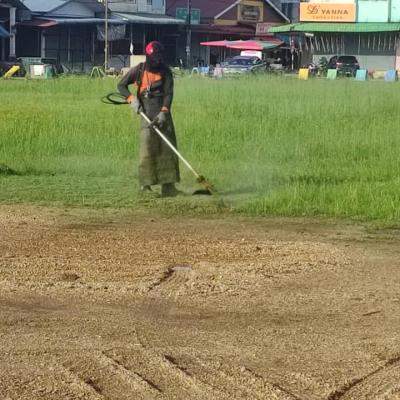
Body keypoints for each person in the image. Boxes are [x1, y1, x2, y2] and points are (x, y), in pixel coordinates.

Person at [117, 41, 180, 197]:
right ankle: (145, 187)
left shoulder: (166, 72)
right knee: (147, 148)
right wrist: (132, 99)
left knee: (167, 147)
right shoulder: (139, 70)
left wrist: (164, 112)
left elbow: (168, 93)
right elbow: (121, 85)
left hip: (163, 113)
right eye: (154, 57)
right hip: (146, 111)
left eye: (159, 57)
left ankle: (168, 186)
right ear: (149, 56)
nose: (157, 60)